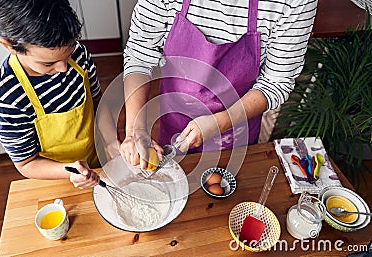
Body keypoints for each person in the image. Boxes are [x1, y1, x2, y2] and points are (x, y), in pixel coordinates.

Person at [120, 0, 318, 169]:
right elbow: (139, 55)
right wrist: (135, 130)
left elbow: (276, 82)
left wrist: (219, 122)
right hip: (174, 120)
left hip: (236, 131)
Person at [0, 0, 118, 189]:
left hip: (95, 154)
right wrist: (70, 171)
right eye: (48, 64)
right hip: (57, 177)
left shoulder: (79, 54)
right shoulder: (7, 101)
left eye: (68, 54)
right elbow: (27, 164)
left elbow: (97, 103)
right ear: (9, 46)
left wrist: (111, 142)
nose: (63, 68)